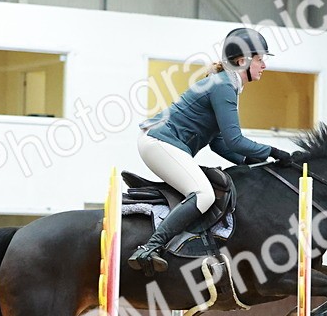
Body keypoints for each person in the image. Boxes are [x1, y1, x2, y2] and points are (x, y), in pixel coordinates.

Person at [129, 27, 301, 274]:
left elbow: (219, 142)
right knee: (203, 194)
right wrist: (273, 151)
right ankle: (149, 248)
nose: (264, 65)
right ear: (242, 61)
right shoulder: (223, 87)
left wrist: (251, 161)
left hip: (159, 142)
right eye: (260, 59)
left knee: (203, 191)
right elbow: (234, 140)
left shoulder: (226, 85)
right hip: (159, 142)